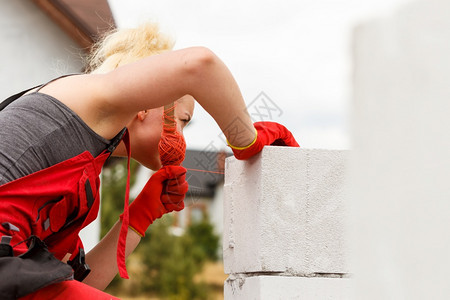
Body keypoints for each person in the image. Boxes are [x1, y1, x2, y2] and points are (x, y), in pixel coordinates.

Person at [0, 23, 299, 299]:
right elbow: (201, 65)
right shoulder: (95, 95)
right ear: (149, 101)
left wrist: (140, 215)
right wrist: (246, 140)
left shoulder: (86, 149)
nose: (181, 136)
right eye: (183, 120)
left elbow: (77, 285)